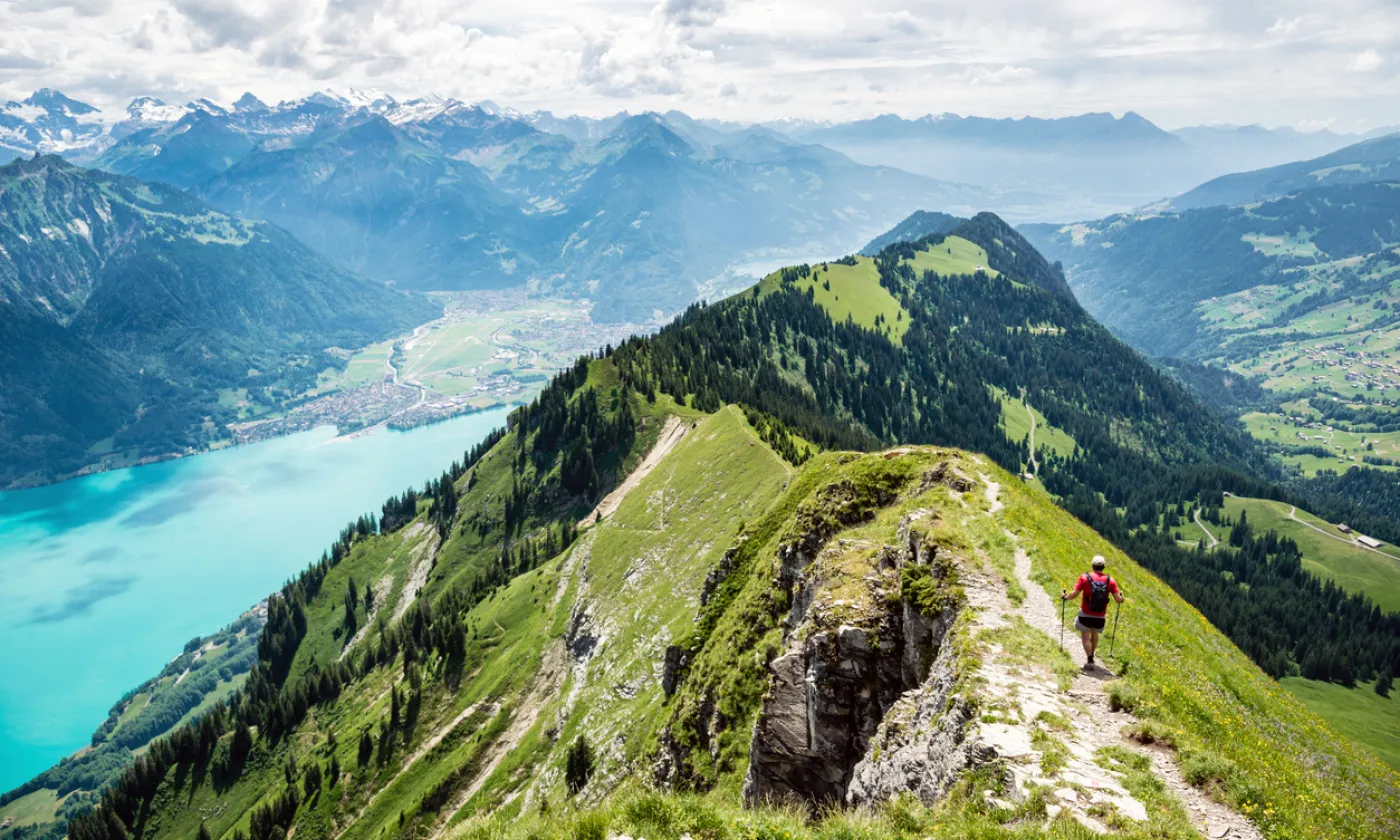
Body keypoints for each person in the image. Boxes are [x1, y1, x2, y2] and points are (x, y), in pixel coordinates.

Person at [1060, 555, 1125, 669]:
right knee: (1094, 634)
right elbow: (1118, 599)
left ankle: (1090, 660)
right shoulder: (1110, 580)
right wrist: (1122, 598)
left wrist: (1065, 597)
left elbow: (1074, 594)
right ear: (1103, 566)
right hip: (1100, 616)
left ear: (1092, 565)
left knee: (1085, 636)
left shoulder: (1085, 577)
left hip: (1085, 613)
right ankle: (1092, 655)